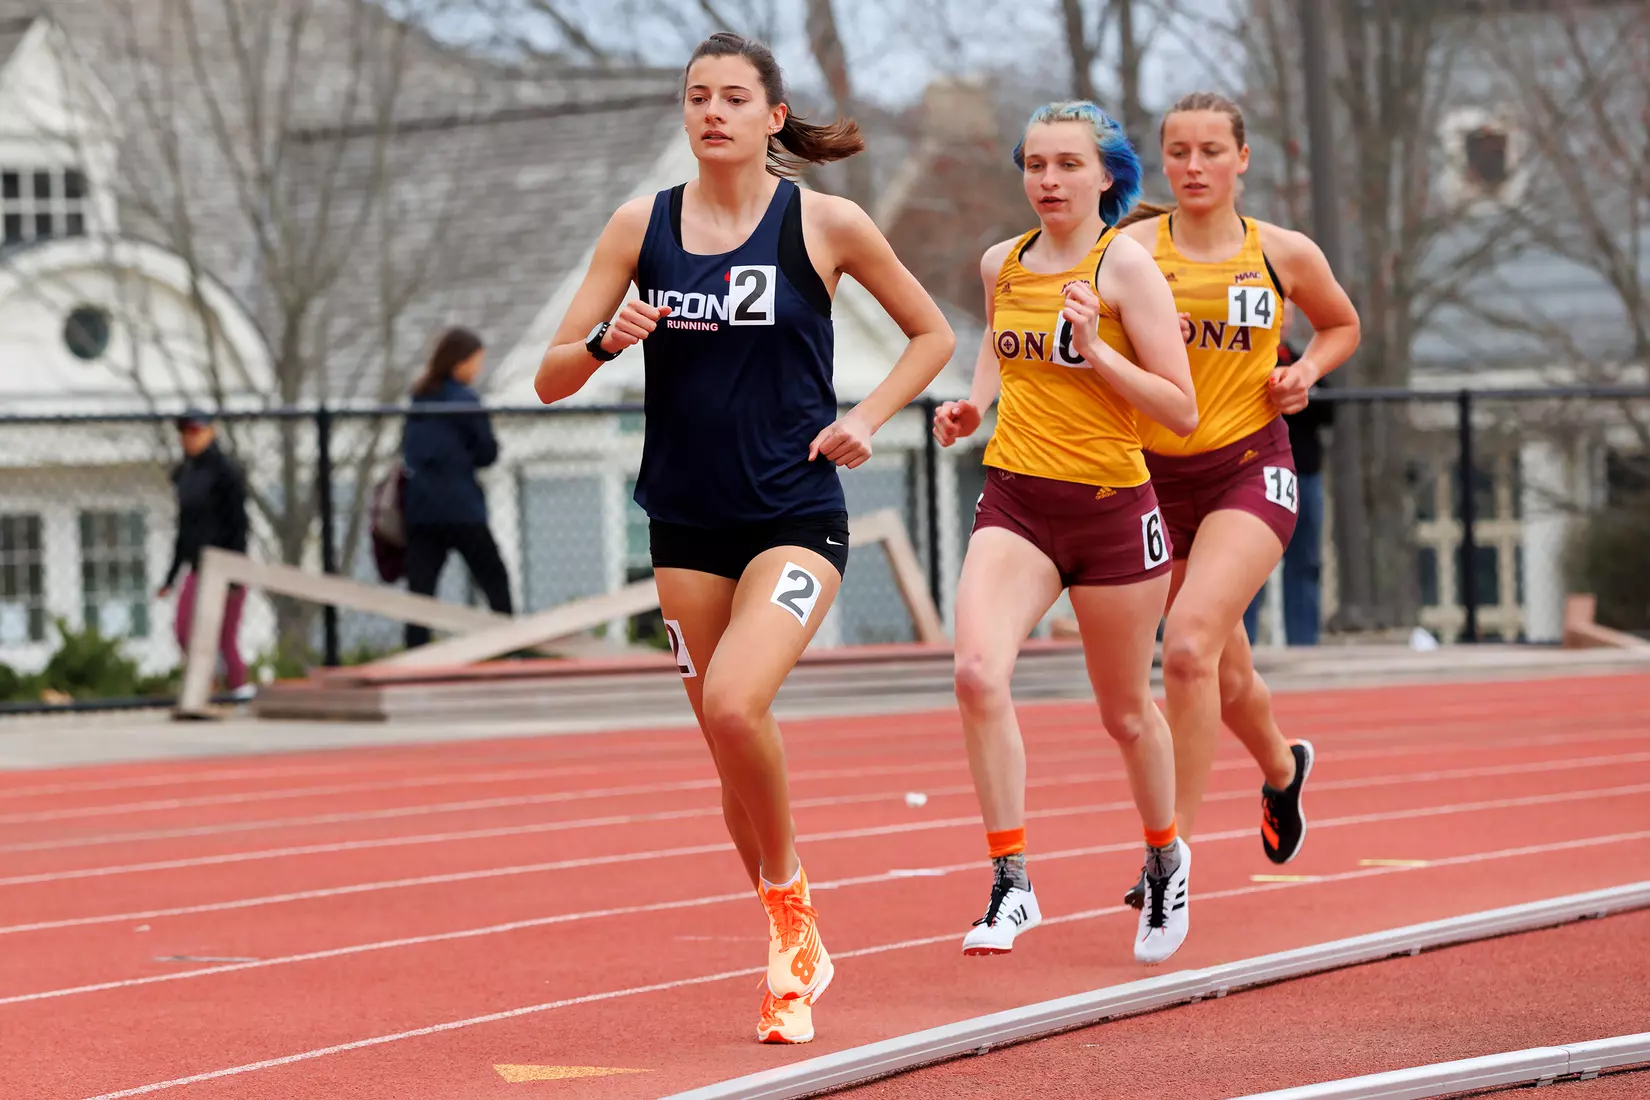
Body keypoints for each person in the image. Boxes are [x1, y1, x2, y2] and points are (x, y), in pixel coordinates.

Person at [534, 32, 954, 1044]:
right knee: (728, 751)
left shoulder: (825, 222)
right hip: (684, 521)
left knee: (735, 699)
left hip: (794, 515)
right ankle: (788, 929)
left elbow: (932, 333)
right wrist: (604, 340)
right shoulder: (645, 225)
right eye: (696, 96)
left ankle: (793, 910)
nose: (712, 111)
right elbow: (549, 375)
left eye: (733, 97)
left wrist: (869, 416)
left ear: (773, 117)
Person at [931, 101, 1198, 966]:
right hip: (1017, 500)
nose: (1048, 180)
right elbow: (997, 361)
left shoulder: (1126, 269)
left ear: (1107, 176)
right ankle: (1011, 881)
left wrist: (1098, 350)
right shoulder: (999, 263)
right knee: (976, 674)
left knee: (1125, 713)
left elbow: (1182, 411)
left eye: (1068, 165)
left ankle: (1165, 857)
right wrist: (971, 409)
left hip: (1114, 509)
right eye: (1036, 164)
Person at [1114, 92, 1360, 910]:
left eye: (1211, 151)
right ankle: (1284, 770)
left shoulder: (1281, 252)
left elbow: (1340, 325)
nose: (1193, 167)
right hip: (1152, 480)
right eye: (1178, 152)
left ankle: (1170, 850)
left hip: (1249, 470)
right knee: (1224, 672)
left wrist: (1305, 372)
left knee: (1186, 649)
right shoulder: (1130, 250)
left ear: (1241, 159)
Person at [401, 327, 513, 649]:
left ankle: (416, 657)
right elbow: (487, 451)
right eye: (476, 361)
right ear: (459, 362)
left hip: (420, 509)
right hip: (462, 507)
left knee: (421, 592)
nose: (477, 369)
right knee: (493, 578)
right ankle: (511, 647)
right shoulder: (465, 399)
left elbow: (410, 449)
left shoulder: (419, 397)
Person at [1243, 301, 1331, 646]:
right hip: (1254, 474)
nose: (1282, 321)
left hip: (1302, 474)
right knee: (1246, 566)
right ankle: (1242, 642)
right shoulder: (1239, 364)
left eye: (1288, 315)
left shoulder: (1304, 361)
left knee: (1305, 561)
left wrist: (1298, 383)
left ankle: (1304, 640)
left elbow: (1328, 411)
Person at [159, 409, 252, 701]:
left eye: (196, 432)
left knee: (225, 636)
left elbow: (239, 524)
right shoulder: (185, 476)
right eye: (186, 433)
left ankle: (238, 689)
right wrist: (171, 577)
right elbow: (183, 530)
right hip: (199, 568)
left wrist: (236, 574)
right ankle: (205, 685)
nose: (191, 439)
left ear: (211, 432)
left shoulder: (226, 473)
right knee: (185, 628)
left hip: (227, 566)